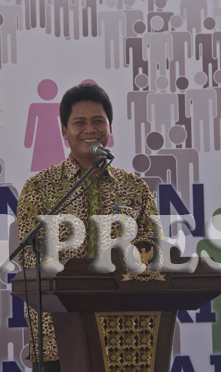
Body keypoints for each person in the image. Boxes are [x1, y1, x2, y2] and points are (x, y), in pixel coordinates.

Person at [17, 83, 161, 371]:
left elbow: (153, 254)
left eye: (98, 121)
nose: (90, 130)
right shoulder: (39, 188)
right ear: (64, 130)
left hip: (125, 332)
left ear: (109, 128)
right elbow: (31, 259)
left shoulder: (135, 188)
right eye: (79, 122)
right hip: (58, 333)